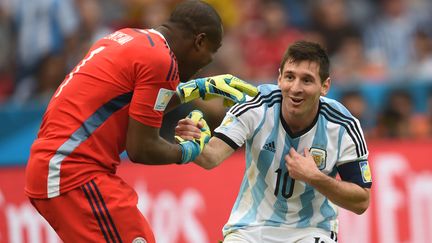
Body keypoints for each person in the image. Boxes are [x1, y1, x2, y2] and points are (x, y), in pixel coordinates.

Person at [24, 1, 257, 242]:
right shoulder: (161, 61)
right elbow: (141, 148)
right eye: (211, 52)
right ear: (199, 41)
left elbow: (136, 109)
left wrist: (195, 89)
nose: (207, 63)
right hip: (74, 172)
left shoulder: (126, 37)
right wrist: (188, 151)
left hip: (56, 167)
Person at [176, 41, 372, 242]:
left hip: (311, 231)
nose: (295, 88)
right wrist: (194, 142)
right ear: (279, 78)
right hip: (251, 229)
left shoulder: (343, 126)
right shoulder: (255, 104)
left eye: (306, 80)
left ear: (324, 86)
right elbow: (211, 157)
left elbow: (361, 201)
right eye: (289, 77)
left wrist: (315, 177)